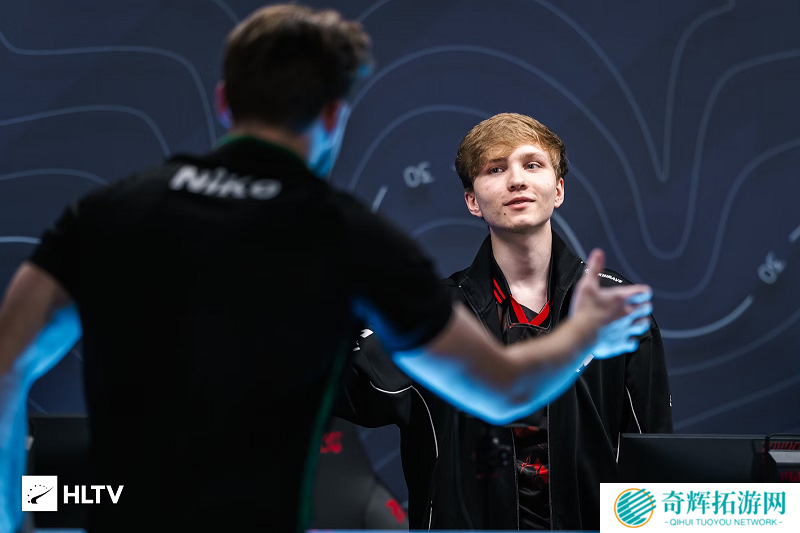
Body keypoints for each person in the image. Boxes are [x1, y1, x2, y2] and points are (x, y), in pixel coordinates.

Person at [0, 7, 652, 533]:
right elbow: (502, 390)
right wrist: (583, 334)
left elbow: (5, 367)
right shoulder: (351, 237)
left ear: (225, 100)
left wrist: (9, 519)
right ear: (336, 114)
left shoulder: (110, 213)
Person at [336, 113, 672, 530]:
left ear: (558, 189)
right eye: (495, 169)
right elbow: (332, 383)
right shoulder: (432, 315)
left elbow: (654, 458)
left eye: (532, 164)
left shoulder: (613, 307)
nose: (516, 180)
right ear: (472, 201)